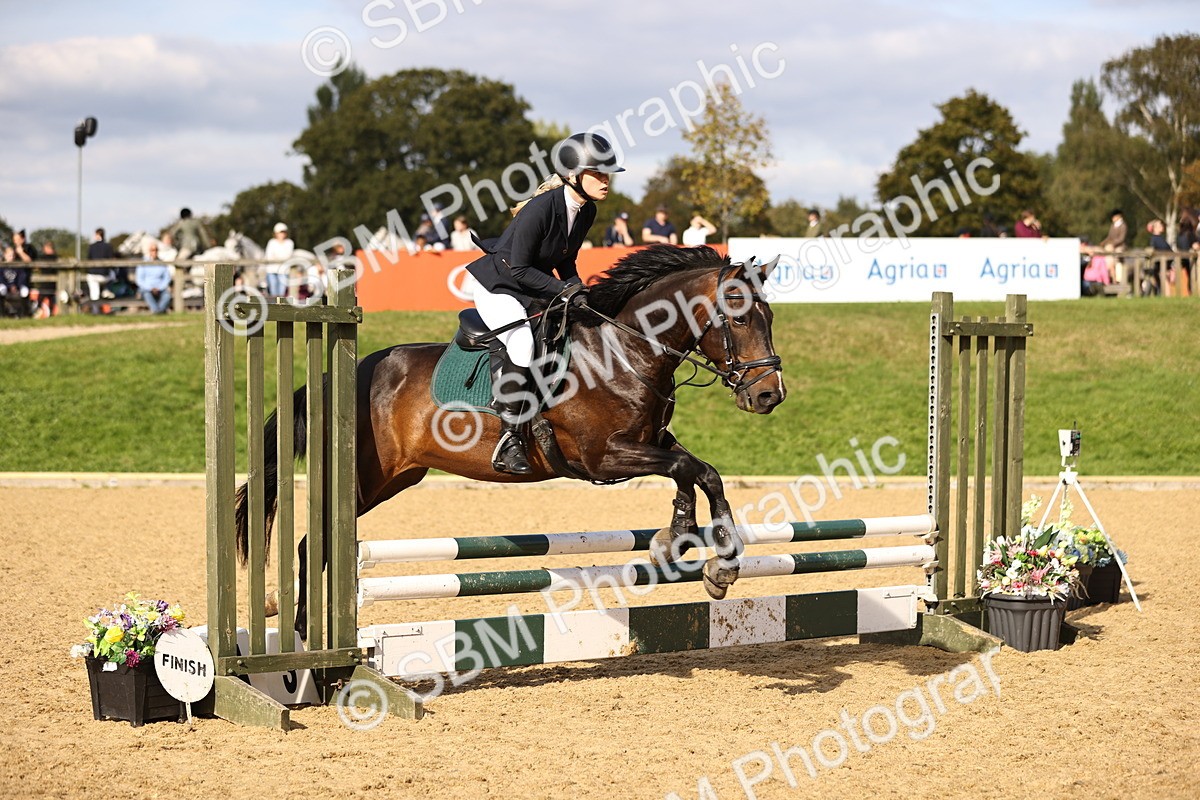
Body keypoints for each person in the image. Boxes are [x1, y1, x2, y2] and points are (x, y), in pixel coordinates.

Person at [466, 132, 622, 475]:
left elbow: (565, 260)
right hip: (499, 286)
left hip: (530, 285)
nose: (605, 180)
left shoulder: (586, 210)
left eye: (607, 173)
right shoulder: (541, 209)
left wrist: (577, 289)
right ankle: (508, 439)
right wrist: (562, 290)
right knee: (522, 345)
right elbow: (518, 268)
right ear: (572, 176)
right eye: (597, 173)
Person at [135, 242, 173, 314]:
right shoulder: (143, 263)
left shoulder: (162, 263)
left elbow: (166, 278)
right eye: (152, 250)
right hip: (146, 288)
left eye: (156, 250)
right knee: (146, 294)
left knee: (167, 295)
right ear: (149, 251)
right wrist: (150, 288)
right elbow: (139, 280)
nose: (154, 252)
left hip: (160, 288)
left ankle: (158, 310)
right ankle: (157, 311)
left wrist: (160, 287)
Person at [263, 222, 295, 297]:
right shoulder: (271, 242)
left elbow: (288, 256)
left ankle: (279, 308)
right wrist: (281, 258)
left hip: (283, 271)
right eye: (280, 232)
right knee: (273, 293)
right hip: (271, 271)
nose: (282, 234)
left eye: (283, 232)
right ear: (276, 233)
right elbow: (268, 256)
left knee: (281, 294)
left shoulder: (289, 243)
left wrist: (276, 258)